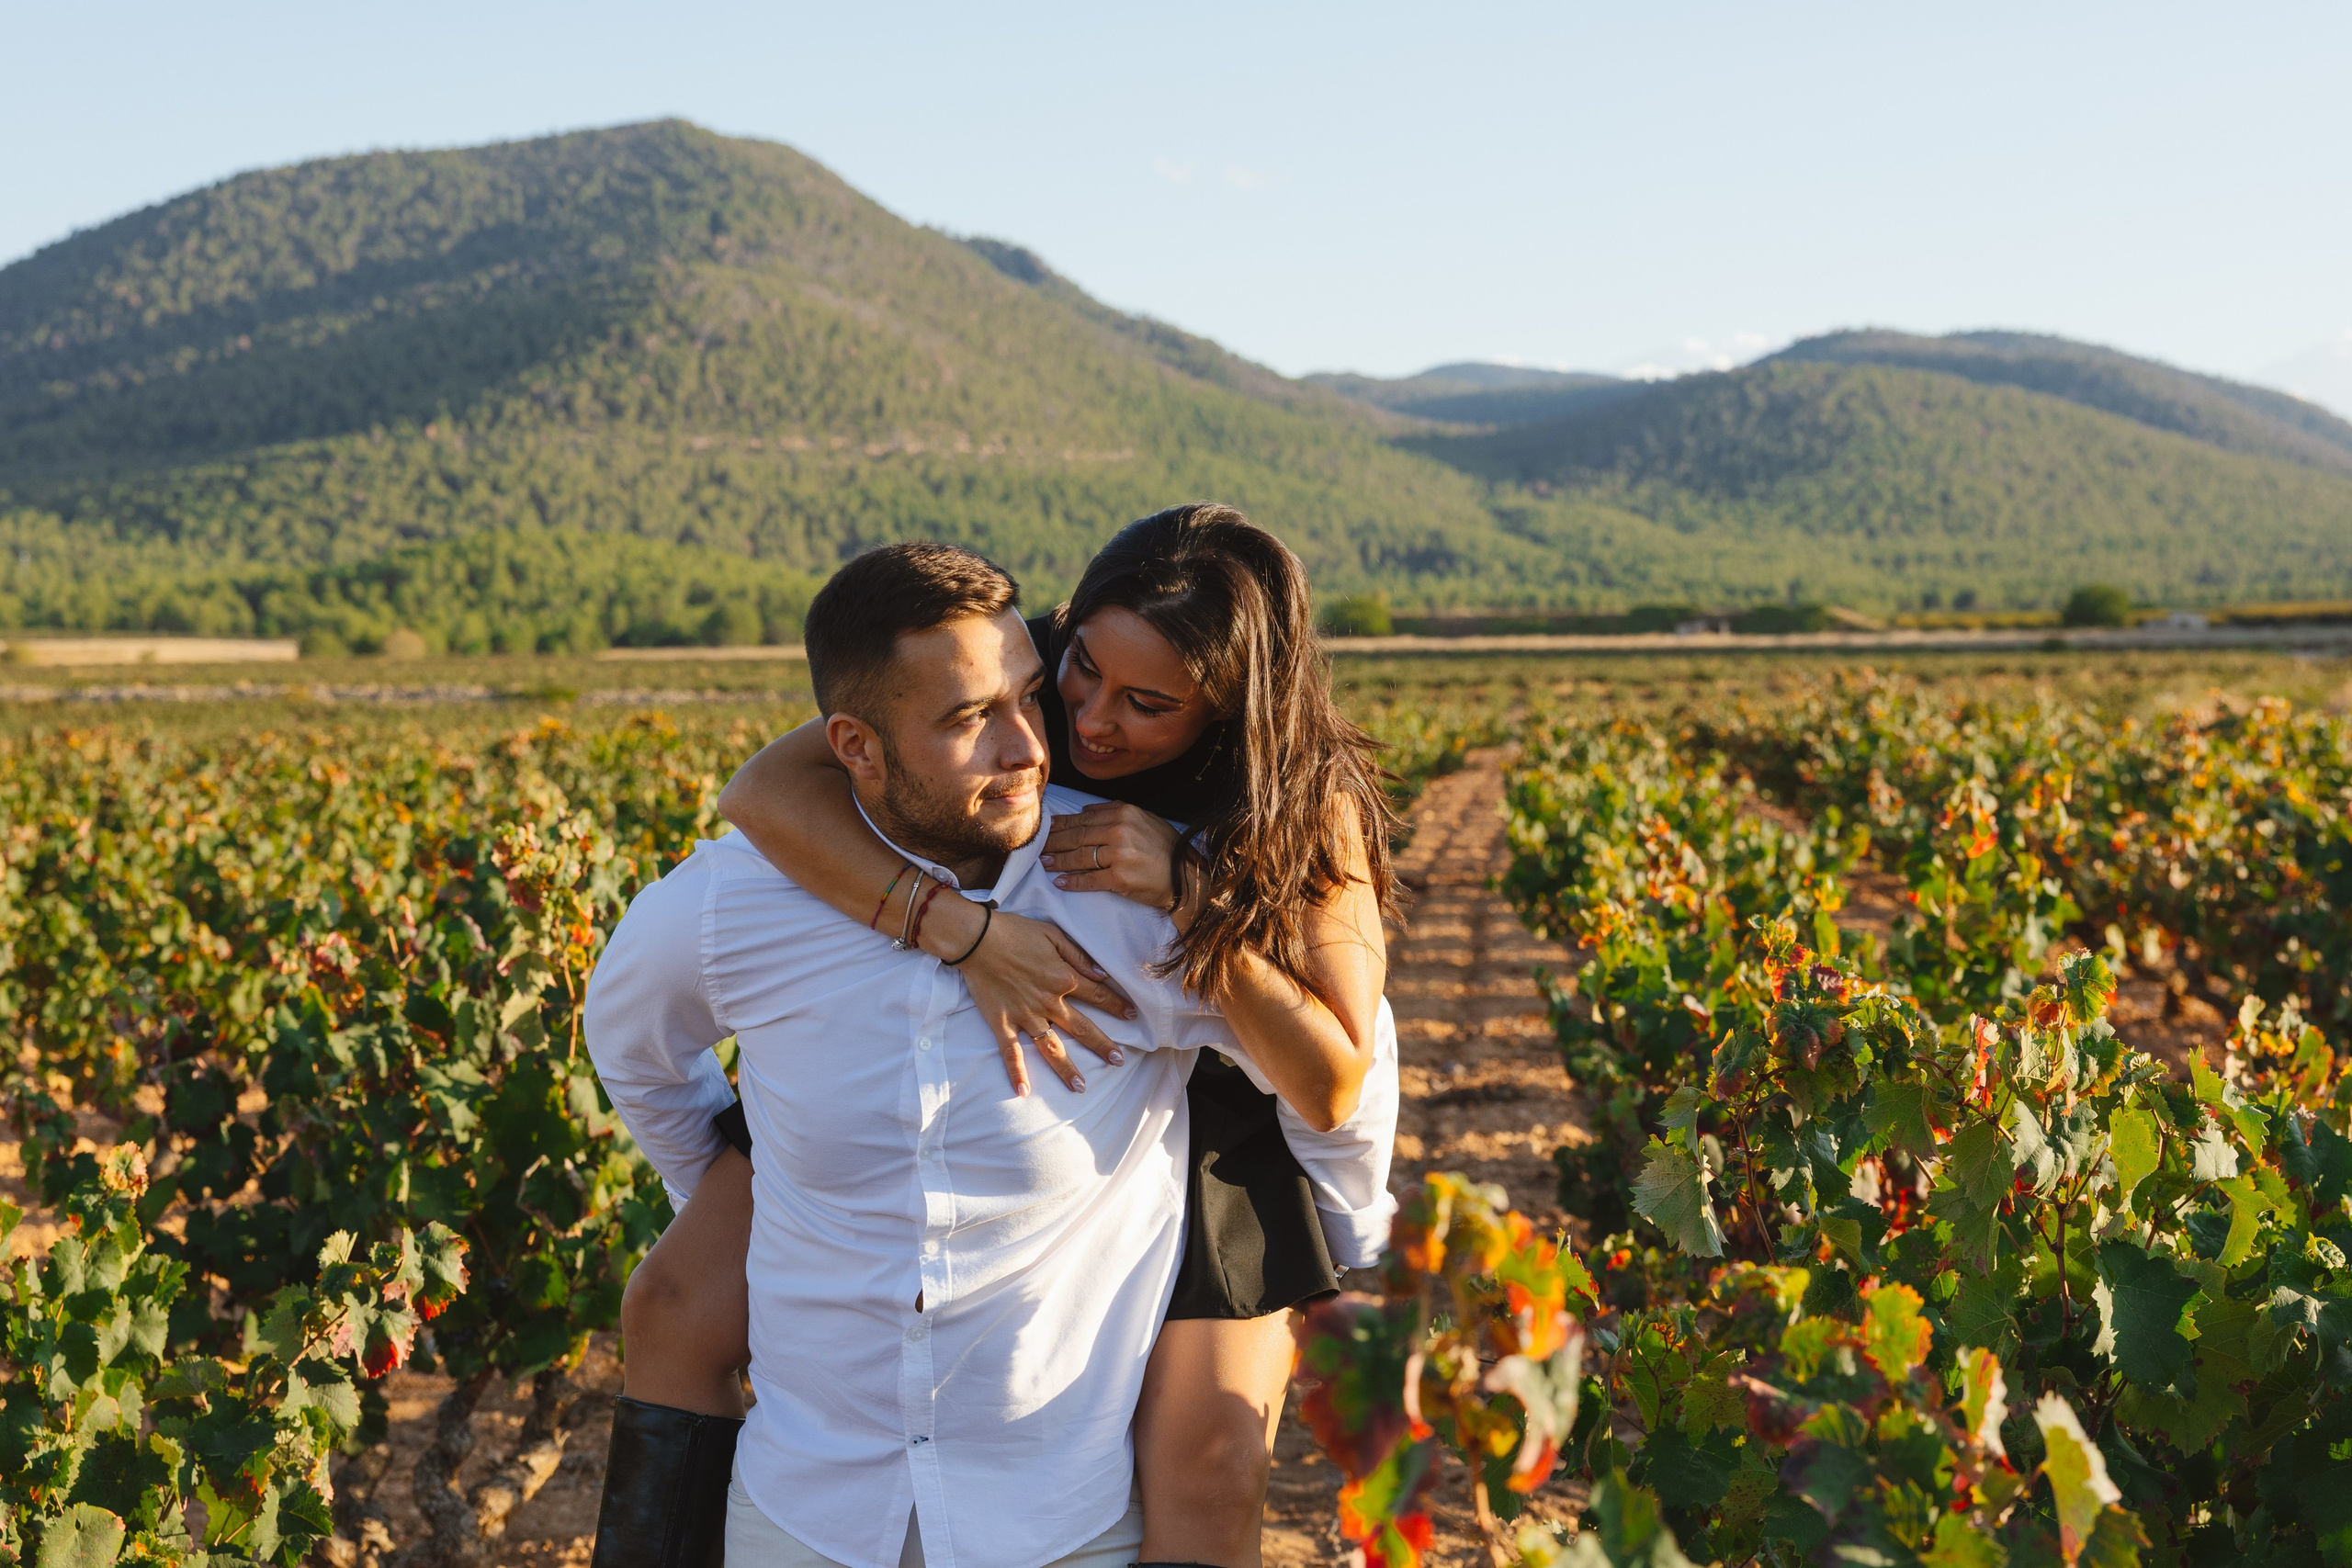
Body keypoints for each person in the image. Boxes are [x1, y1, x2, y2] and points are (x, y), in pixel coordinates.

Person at [584, 536, 1396, 1568]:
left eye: (1147, 706)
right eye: (1081, 678)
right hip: (919, 999)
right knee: (670, 1305)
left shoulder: (1293, 801)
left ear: (1233, 707)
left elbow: (1342, 1074)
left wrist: (1348, 1228)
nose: (1085, 724)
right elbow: (762, 793)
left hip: (1219, 1071)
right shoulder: (1021, 664)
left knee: (1209, 1454)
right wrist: (960, 931)